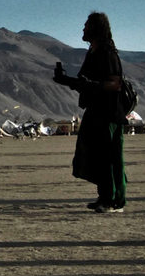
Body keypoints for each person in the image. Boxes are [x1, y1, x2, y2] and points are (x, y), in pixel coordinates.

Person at [53, 11, 128, 212]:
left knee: (109, 157)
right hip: (95, 111)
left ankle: (113, 200)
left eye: (87, 25)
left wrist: (93, 85)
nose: (83, 29)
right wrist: (66, 80)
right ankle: (104, 196)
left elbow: (115, 84)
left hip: (109, 113)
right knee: (94, 155)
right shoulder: (93, 53)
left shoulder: (108, 54)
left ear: (96, 29)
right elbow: (84, 84)